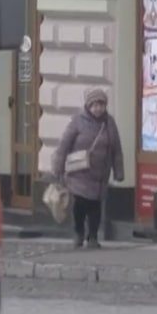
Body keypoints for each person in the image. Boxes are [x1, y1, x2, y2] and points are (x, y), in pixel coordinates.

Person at [52, 87, 125, 249]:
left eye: (101, 105)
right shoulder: (78, 121)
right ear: (88, 106)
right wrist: (58, 169)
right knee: (79, 205)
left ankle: (93, 237)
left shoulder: (109, 123)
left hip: (99, 176)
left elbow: (116, 149)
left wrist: (119, 171)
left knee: (95, 207)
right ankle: (78, 233)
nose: (98, 108)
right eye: (95, 105)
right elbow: (64, 146)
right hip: (79, 174)